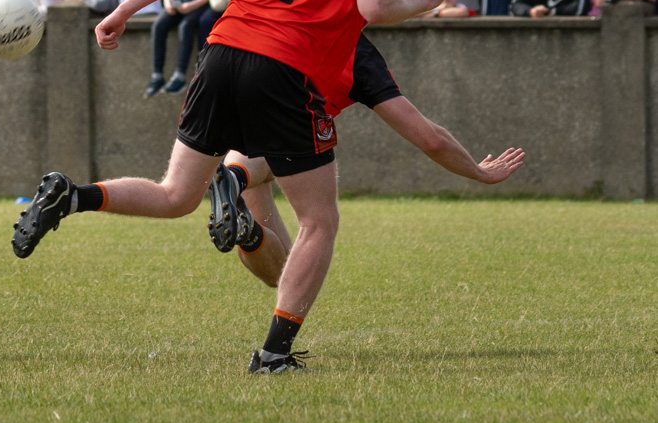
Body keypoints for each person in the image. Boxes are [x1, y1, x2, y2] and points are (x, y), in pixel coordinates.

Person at [12, 0, 446, 375]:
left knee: (175, 194)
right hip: (284, 67)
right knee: (319, 221)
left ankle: (72, 195)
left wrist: (122, 10)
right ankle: (272, 354)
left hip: (220, 52)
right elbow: (374, 7)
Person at [219, 32, 523, 290]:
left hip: (231, 103)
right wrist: (478, 172)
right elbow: (431, 139)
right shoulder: (358, 55)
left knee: (281, 273)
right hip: (283, 134)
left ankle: (245, 220)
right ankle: (234, 185)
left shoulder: (278, 13)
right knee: (283, 148)